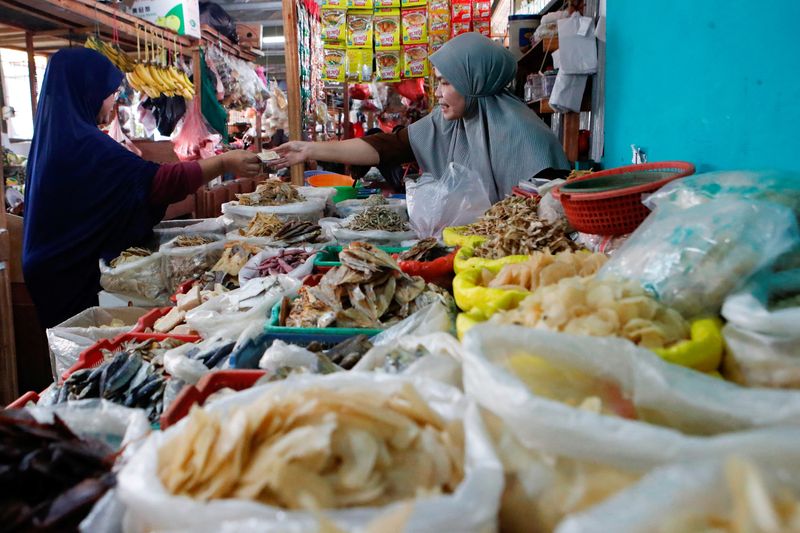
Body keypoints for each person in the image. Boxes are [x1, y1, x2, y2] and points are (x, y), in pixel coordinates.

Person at [22, 48, 261, 327]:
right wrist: (223, 163)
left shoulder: (54, 137)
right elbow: (156, 183)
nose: (114, 101)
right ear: (87, 91)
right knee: (80, 356)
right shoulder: (83, 144)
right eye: (109, 92)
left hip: (50, 266)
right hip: (68, 273)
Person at [272, 33, 568, 202]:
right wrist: (309, 149)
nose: (438, 93)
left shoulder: (528, 136)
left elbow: (550, 209)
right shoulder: (449, 121)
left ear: (475, 81)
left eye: (446, 82)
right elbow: (388, 146)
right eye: (438, 82)